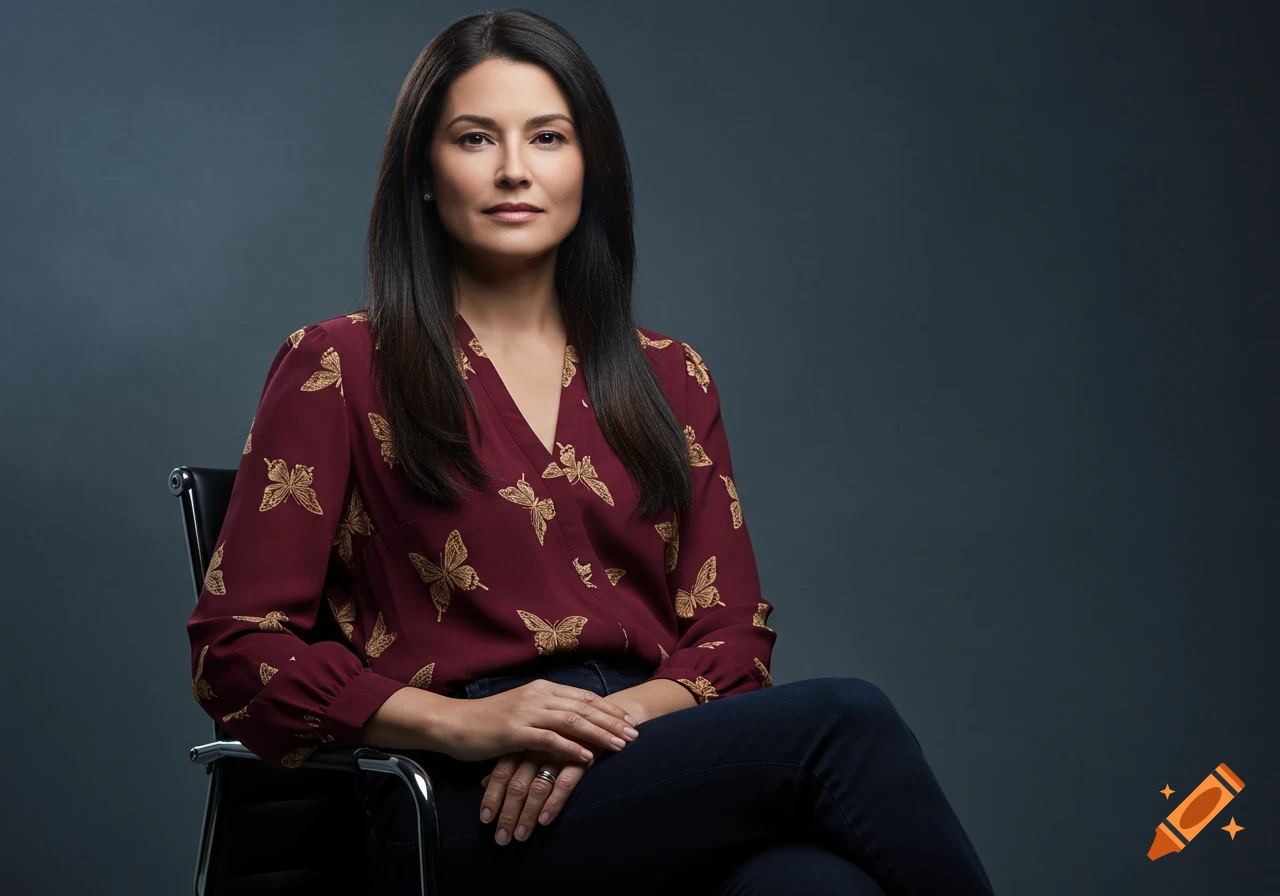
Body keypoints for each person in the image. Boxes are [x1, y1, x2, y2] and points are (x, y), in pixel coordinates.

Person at [185, 8, 996, 895]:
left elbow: (730, 640)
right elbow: (238, 651)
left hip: (647, 761)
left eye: (547, 137)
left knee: (817, 888)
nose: (513, 170)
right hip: (456, 803)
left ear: (588, 167)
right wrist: (476, 727)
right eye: (474, 138)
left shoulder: (668, 374)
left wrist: (602, 727)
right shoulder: (338, 365)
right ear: (423, 171)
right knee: (846, 719)